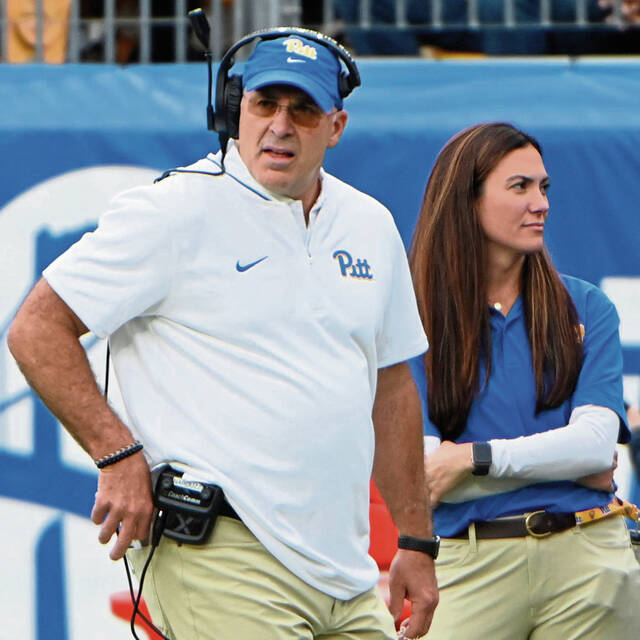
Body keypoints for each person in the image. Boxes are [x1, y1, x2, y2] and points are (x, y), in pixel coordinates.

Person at [7, 29, 438, 640]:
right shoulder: (173, 209)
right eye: (265, 104)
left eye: (303, 109)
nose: (280, 126)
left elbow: (392, 387)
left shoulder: (370, 223)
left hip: (343, 570)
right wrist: (117, 453)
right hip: (220, 548)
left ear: (335, 126)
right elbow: (36, 327)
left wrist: (416, 540)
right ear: (235, 111)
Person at [408, 122, 640, 639]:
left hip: (589, 564)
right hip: (468, 569)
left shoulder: (586, 306)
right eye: (520, 187)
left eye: (544, 187)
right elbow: (427, 477)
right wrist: (564, 464)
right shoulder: (412, 319)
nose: (541, 204)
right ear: (465, 200)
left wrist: (473, 458)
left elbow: (597, 448)